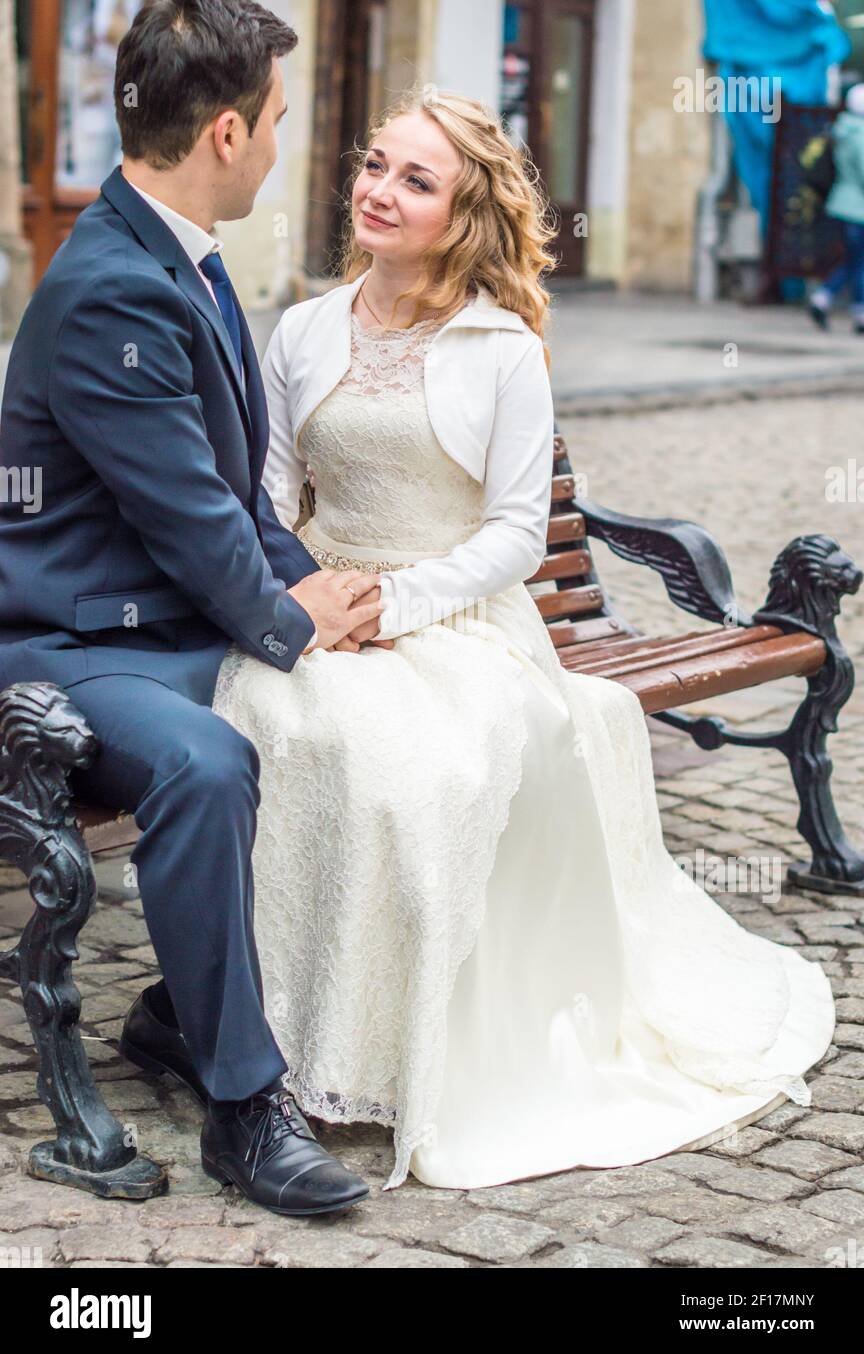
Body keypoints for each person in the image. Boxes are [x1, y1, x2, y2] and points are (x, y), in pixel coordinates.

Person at [208, 88, 837, 1191]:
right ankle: (270, 1038)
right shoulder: (304, 329)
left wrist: (396, 609)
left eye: (416, 180)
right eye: (374, 165)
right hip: (323, 610)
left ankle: (396, 1048)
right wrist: (311, 598)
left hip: (461, 625)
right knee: (265, 721)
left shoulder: (501, 348)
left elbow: (510, 537)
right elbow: (266, 494)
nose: (379, 192)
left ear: (463, 214)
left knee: (418, 772)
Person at [0, 0, 381, 1216]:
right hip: (67, 646)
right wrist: (288, 618)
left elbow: (234, 500)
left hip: (154, 627)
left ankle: (175, 1008)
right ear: (226, 133)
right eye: (274, 118)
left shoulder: (183, 261)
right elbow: (192, 521)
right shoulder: (113, 288)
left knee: (363, 711)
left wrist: (308, 590)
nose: (279, 142)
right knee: (207, 765)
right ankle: (243, 1108)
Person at [809, 82, 864, 333]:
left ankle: (827, 299)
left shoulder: (842, 129)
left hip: (841, 204)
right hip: (857, 209)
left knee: (854, 261)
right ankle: (853, 309)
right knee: (858, 262)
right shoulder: (860, 134)